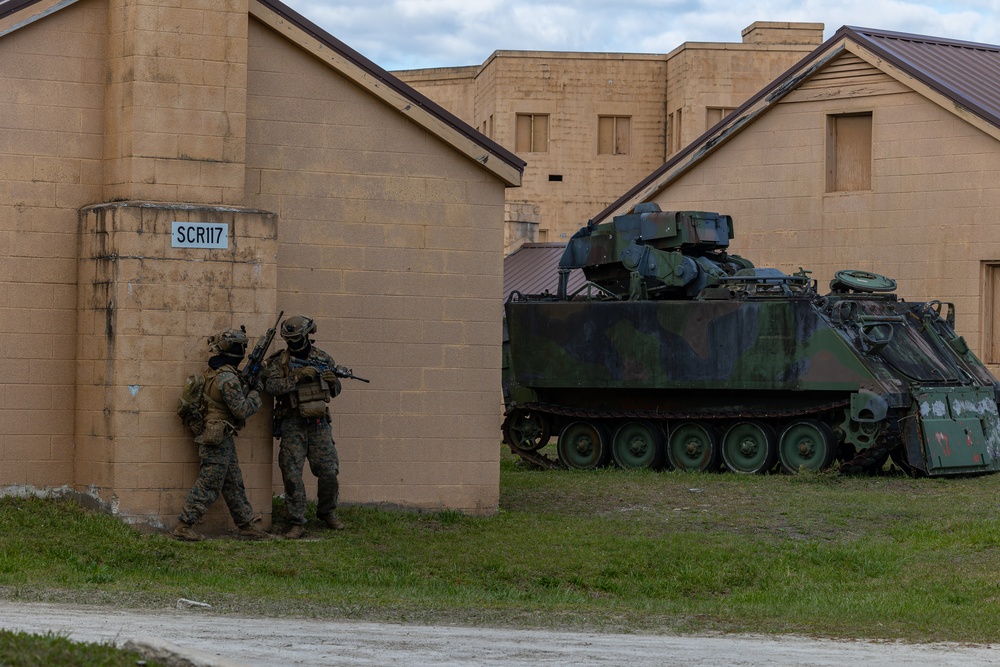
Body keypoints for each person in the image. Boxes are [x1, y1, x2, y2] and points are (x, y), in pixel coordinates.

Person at [173, 328, 273, 542]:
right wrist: (256, 391)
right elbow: (242, 410)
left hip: (222, 435)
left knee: (233, 482)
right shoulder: (227, 378)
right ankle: (184, 524)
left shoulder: (217, 372)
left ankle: (246, 524)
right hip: (216, 438)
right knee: (210, 484)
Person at [262, 315, 345, 539]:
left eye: (297, 338)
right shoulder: (279, 361)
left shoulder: (323, 358)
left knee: (329, 472)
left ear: (307, 335)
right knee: (291, 475)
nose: (293, 342)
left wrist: (332, 380)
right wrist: (297, 378)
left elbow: (335, 391)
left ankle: (327, 512)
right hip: (292, 424)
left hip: (319, 424)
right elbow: (270, 386)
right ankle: (296, 521)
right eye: (289, 339)